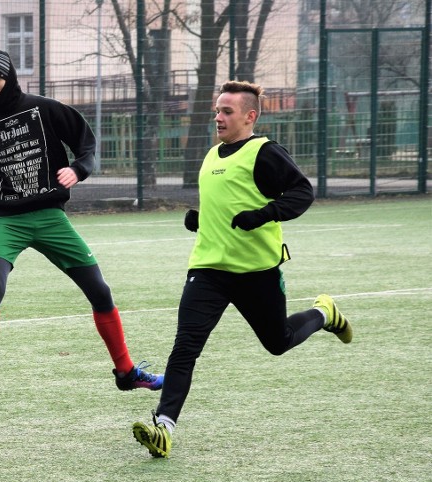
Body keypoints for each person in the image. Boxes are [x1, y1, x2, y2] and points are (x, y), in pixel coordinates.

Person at [131, 80, 353, 458]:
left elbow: (302, 192)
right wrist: (201, 221)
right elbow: (230, 209)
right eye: (217, 110)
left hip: (256, 272)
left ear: (250, 116)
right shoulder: (213, 154)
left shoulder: (263, 152)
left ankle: (323, 312)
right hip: (208, 270)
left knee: (278, 341)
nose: (218, 117)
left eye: (227, 111)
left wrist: (265, 214)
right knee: (185, 347)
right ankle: (163, 428)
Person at [0, 49, 163, 399]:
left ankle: (126, 372)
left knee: (99, 290)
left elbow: (86, 143)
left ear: (10, 77)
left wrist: (79, 169)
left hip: (51, 218)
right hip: (8, 221)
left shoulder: (44, 108)